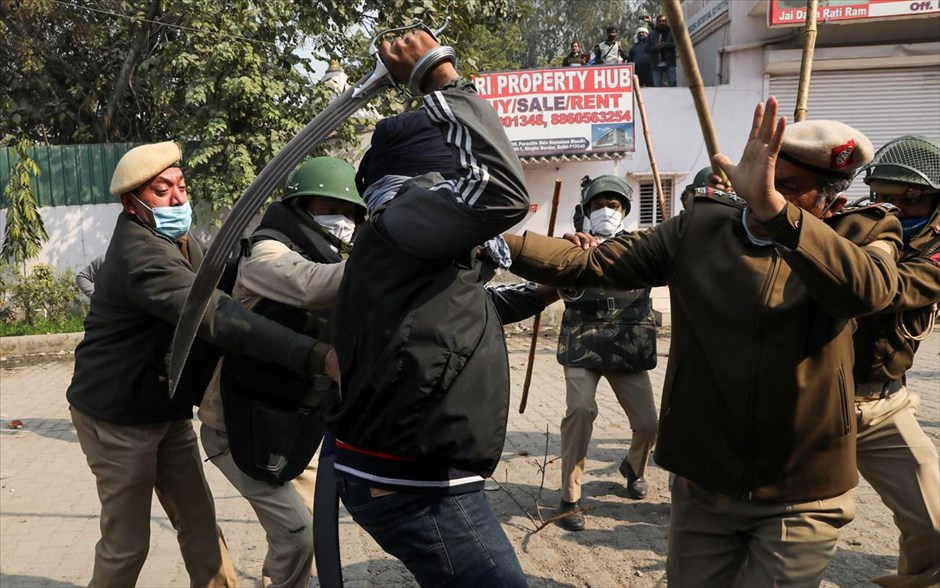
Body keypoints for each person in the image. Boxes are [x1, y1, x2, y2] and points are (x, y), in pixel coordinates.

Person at [502, 100, 904, 585]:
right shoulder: (702, 225)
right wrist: (497, 244)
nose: (766, 194)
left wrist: (777, 215)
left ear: (832, 202)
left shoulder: (865, 231)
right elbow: (596, 263)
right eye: (765, 179)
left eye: (789, 188)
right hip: (703, 483)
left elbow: (869, 291)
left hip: (802, 491)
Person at [66, 142, 328, 588]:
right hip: (117, 419)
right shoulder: (141, 255)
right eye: (161, 191)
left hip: (166, 412)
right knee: (127, 545)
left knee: (202, 530)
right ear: (132, 204)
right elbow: (214, 314)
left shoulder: (178, 238)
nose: (177, 199)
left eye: (181, 187)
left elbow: (223, 285)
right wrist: (313, 354)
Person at [328, 31, 530, 587]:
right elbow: (504, 193)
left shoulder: (412, 239)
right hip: (414, 484)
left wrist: (550, 292)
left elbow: (461, 317)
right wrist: (438, 76)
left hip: (417, 473)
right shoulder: (407, 217)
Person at [197, 156, 363, 588]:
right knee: (298, 537)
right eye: (329, 209)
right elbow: (313, 285)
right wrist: (389, 255)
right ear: (300, 208)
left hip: (293, 423)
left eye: (349, 212)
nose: (341, 221)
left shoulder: (330, 253)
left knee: (309, 532)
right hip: (236, 428)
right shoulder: (265, 253)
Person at [854, 135, 940, 588]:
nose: (883, 208)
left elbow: (890, 290)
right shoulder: (852, 223)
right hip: (813, 401)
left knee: (935, 524)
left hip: (886, 402)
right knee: (794, 522)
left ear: (921, 196)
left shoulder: (936, 245)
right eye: (877, 198)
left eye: (894, 200)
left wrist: (876, 250)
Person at [554, 175, 658, 532]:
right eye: (598, 205)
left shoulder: (643, 245)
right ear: (585, 211)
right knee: (581, 410)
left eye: (612, 206)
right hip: (582, 340)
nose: (605, 212)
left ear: (625, 211)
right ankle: (570, 497)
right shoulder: (573, 246)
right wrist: (567, 250)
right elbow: (552, 273)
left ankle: (633, 467)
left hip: (626, 343)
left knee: (648, 424)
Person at [647, 14, 677, 87]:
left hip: (669, 63)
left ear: (667, 22)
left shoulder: (672, 32)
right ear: (657, 23)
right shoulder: (652, 35)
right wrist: (656, 47)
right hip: (656, 65)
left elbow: (676, 44)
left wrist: (665, 44)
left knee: (673, 84)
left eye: (664, 21)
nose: (661, 23)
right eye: (659, 21)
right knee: (656, 86)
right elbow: (647, 49)